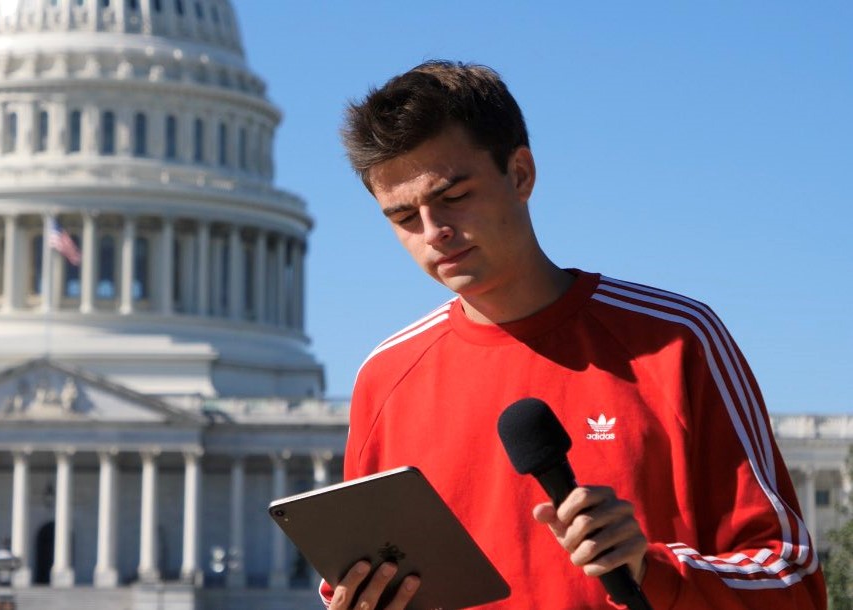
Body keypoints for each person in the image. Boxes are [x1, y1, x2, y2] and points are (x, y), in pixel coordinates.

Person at [319, 60, 826, 609]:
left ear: (520, 175)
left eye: (454, 196)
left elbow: (791, 579)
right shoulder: (387, 376)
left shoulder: (676, 340)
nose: (434, 231)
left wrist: (648, 567)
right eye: (404, 217)